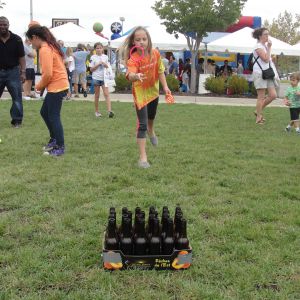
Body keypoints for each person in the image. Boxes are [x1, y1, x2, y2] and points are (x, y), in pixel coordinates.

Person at [120, 26, 171, 168]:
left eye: (144, 39)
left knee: (151, 117)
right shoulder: (133, 59)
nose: (141, 42)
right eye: (138, 39)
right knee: (142, 124)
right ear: (133, 43)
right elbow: (129, 75)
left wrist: (166, 87)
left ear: (148, 40)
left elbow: (160, 71)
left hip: (153, 91)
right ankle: (143, 158)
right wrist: (135, 76)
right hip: (140, 94)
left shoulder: (155, 54)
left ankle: (151, 130)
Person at [26, 25, 69, 156]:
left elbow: (48, 74)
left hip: (57, 86)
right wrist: (43, 86)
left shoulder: (45, 49)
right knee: (44, 112)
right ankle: (54, 139)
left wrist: (38, 86)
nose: (30, 43)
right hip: (58, 84)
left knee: (53, 116)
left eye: (30, 40)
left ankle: (60, 146)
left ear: (35, 37)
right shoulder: (50, 46)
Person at [0, 16, 25, 128]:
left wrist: (23, 72)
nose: (2, 27)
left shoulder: (17, 39)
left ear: (8, 25)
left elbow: (22, 57)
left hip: (13, 72)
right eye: (0, 24)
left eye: (4, 24)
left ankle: (17, 121)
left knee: (16, 98)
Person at [252, 27, 278, 124]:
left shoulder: (264, 46)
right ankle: (258, 118)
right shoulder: (258, 46)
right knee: (261, 96)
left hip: (268, 73)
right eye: (265, 34)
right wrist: (270, 47)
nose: (267, 36)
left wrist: (269, 49)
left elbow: (268, 60)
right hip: (260, 73)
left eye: (268, 34)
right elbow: (266, 59)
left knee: (273, 95)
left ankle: (257, 111)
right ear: (260, 36)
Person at [89, 42, 114, 118]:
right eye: (97, 48)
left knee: (106, 94)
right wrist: (98, 64)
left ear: (103, 49)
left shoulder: (105, 57)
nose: (99, 49)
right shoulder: (93, 57)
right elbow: (91, 69)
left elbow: (108, 67)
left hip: (104, 78)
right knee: (97, 95)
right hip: (96, 78)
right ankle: (96, 111)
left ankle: (110, 111)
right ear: (95, 49)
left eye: (100, 48)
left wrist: (104, 64)